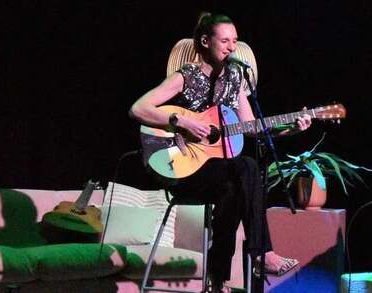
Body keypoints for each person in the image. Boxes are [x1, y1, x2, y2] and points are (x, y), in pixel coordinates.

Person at [130, 13, 309, 293]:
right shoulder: (186, 76)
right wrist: (184, 121)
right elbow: (139, 108)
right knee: (246, 168)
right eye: (224, 41)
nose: (231, 48)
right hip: (178, 164)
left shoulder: (235, 78)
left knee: (235, 189)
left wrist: (290, 130)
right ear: (205, 41)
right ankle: (260, 254)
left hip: (217, 171)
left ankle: (217, 280)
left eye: (234, 41)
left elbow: (251, 128)